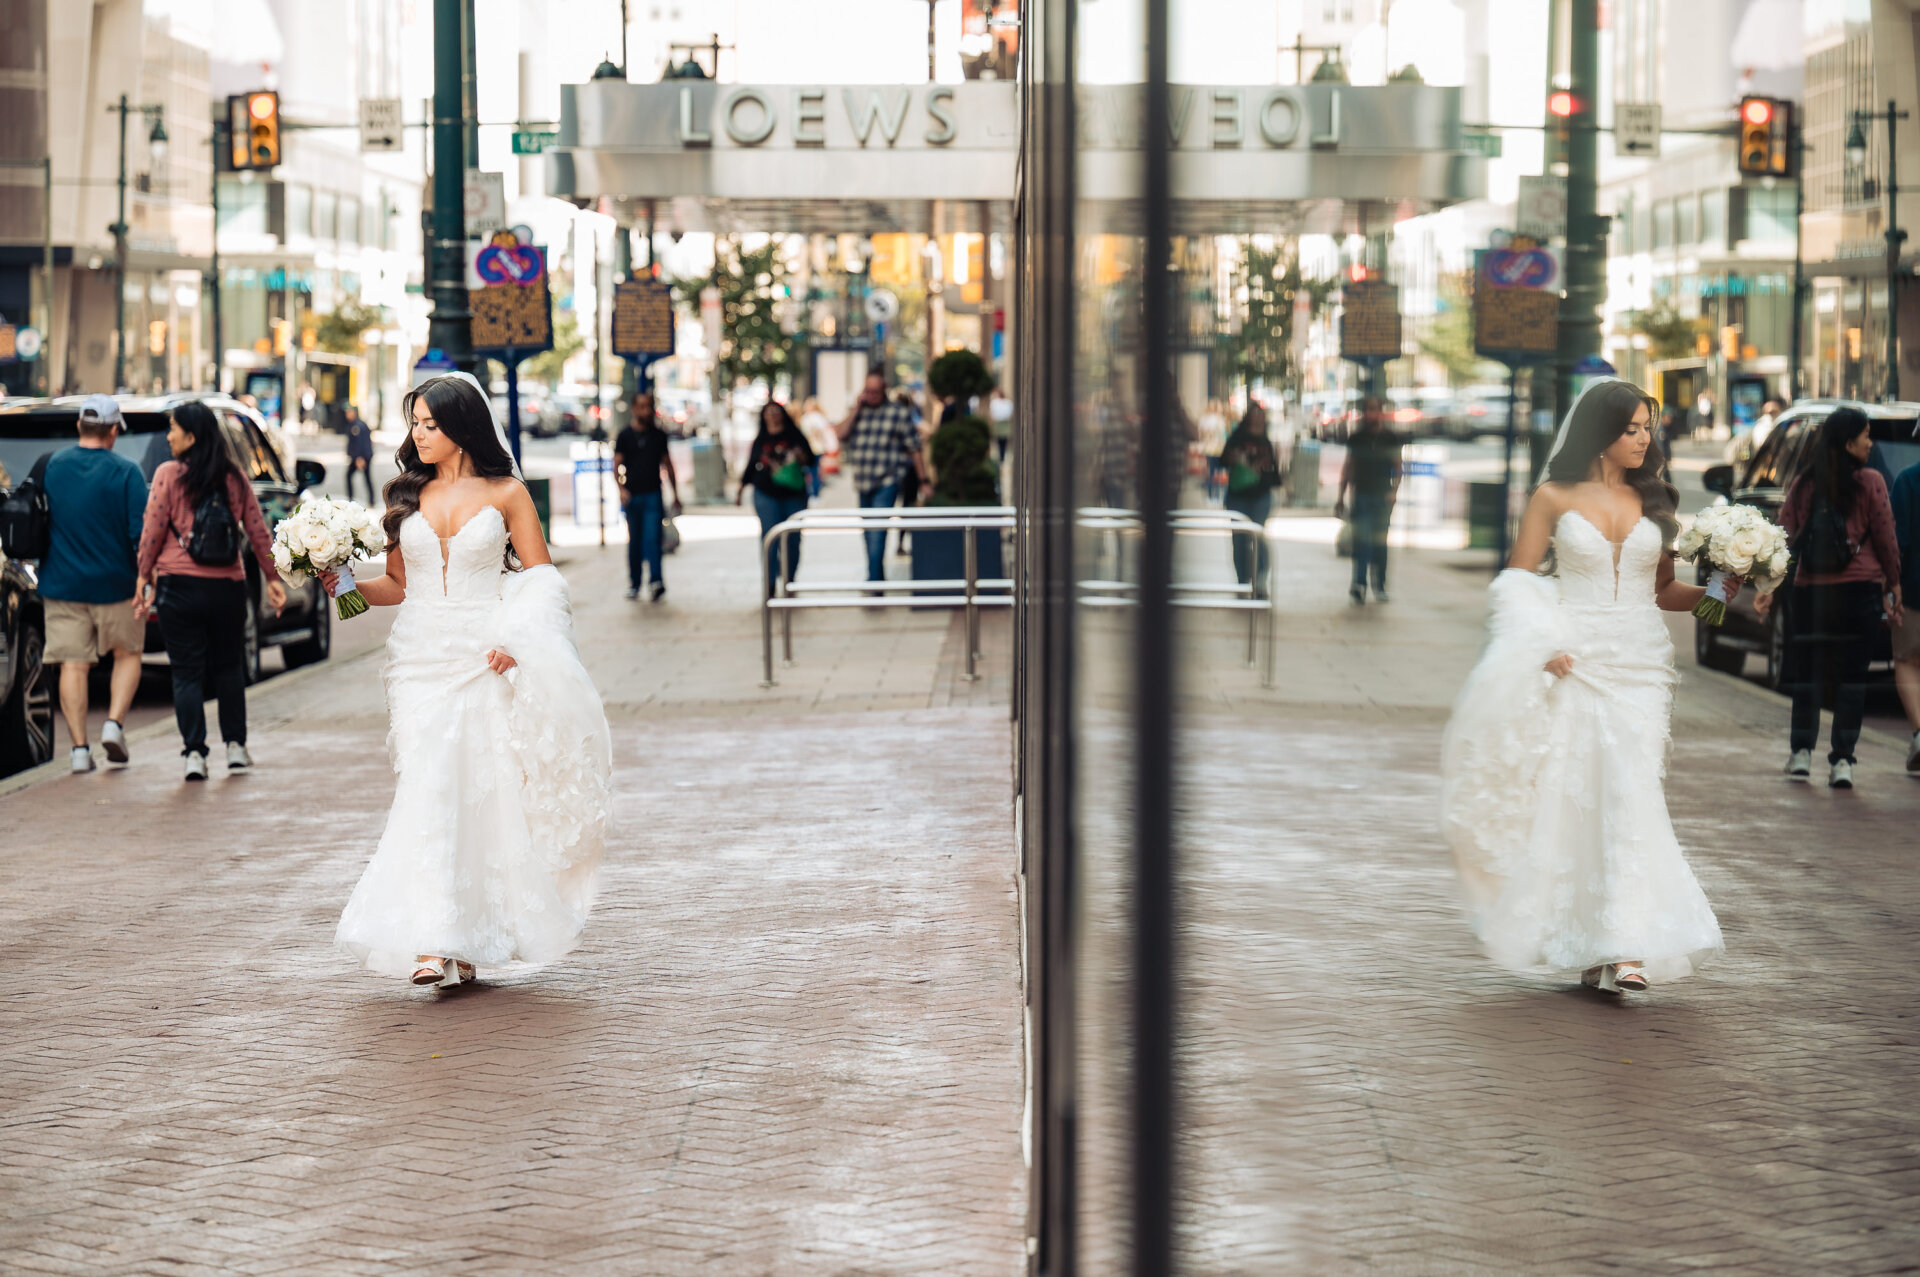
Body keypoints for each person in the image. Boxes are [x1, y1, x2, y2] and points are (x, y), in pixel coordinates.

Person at [1441, 377, 1729, 994]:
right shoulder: (1553, 496)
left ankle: (1625, 943)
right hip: (1577, 661)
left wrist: (1724, 599)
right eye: (1631, 429)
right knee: (1581, 799)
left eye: (1648, 428)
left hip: (1642, 667)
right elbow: (1516, 581)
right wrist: (1540, 645)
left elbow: (1665, 593)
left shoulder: (1657, 502)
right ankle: (1605, 943)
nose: (1643, 439)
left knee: (1631, 790)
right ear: (1600, 434)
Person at [331, 372, 612, 989]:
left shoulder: (508, 492)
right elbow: (397, 586)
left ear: (462, 430)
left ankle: (454, 938)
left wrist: (520, 640)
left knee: (479, 793)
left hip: (484, 655)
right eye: (415, 424)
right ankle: (434, 936)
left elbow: (542, 579)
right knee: (428, 785)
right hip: (420, 659)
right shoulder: (404, 495)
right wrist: (344, 584)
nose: (419, 435)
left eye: (431, 424)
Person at [132, 402, 285, 780]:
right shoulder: (232, 477)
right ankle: (235, 747)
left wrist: (143, 574)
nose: (169, 436)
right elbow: (257, 530)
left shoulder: (167, 474)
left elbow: (152, 529)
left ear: (191, 435)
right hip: (226, 587)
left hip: (178, 587)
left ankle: (194, 755)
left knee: (186, 673)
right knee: (228, 667)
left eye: (173, 429)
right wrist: (273, 578)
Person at [1759, 407, 1902, 788]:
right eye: (1866, 436)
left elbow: (1783, 536)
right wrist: (1893, 583)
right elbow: (1886, 536)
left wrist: (1768, 586)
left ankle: (1801, 754)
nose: (1870, 443)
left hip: (1812, 592)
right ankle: (1842, 762)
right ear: (1848, 441)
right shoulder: (1872, 482)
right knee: (1853, 678)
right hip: (1861, 592)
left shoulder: (1806, 482)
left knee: (1808, 675)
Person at [38, 395, 148, 774]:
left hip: (62, 585)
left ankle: (79, 750)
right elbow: (141, 535)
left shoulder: (51, 467)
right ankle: (114, 724)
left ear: (79, 428)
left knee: (73, 664)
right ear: (113, 430)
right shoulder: (127, 473)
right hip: (118, 584)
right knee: (128, 654)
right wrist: (145, 579)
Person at [834, 371, 929, 585]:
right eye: (868, 391)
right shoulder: (858, 412)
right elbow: (840, 434)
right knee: (868, 533)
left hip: (887, 480)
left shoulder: (898, 413)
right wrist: (856, 408)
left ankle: (874, 583)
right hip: (862, 481)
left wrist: (924, 480)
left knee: (877, 532)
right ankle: (876, 576)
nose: (871, 395)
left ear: (884, 391)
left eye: (875, 391)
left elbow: (915, 448)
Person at [738, 400, 818, 587]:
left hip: (793, 494)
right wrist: (741, 488)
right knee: (770, 537)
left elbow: (811, 460)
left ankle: (789, 579)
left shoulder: (794, 435)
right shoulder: (761, 438)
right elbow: (751, 464)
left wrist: (799, 456)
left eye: (776, 411)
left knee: (792, 539)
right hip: (766, 493)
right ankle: (770, 582)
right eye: (769, 411)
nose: (773, 415)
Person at [612, 391, 682, 601]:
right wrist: (621, 489)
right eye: (641, 406)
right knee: (634, 541)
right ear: (634, 409)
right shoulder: (625, 435)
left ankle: (656, 581)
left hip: (653, 494)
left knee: (653, 539)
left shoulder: (658, 435)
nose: (645, 411)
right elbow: (616, 465)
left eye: (648, 406)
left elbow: (668, 464)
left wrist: (676, 494)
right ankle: (634, 583)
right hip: (633, 495)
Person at [1334, 397, 1402, 605]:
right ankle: (1359, 584)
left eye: (1375, 409)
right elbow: (1349, 465)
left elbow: (1398, 466)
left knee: (1380, 544)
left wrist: (1394, 491)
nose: (1371, 414)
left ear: (1381, 412)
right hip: (1361, 495)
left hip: (1382, 497)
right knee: (1362, 543)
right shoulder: (1357, 438)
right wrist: (1341, 496)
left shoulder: (1390, 438)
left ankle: (1379, 585)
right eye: (1368, 410)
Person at [1216, 401, 1282, 597]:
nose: (1257, 419)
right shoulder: (1238, 437)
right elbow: (1223, 460)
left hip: (1260, 496)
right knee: (1240, 540)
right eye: (1254, 415)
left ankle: (1260, 580)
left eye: (1260, 415)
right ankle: (1242, 582)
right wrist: (1236, 458)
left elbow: (1272, 471)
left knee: (1259, 537)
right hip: (1238, 496)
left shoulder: (1266, 441)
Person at [1890, 448, 1920, 772]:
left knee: (1908, 661)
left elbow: (1898, 542)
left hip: (1913, 588)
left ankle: (1919, 733)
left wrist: (1891, 585)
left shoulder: (1908, 480)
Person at [342, 405, 375, 505]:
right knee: (366, 478)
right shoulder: (354, 424)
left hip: (361, 457)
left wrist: (359, 458)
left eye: (349, 412)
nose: (347, 414)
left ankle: (355, 499)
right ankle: (369, 500)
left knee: (363, 478)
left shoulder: (357, 426)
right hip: (360, 456)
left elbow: (361, 443)